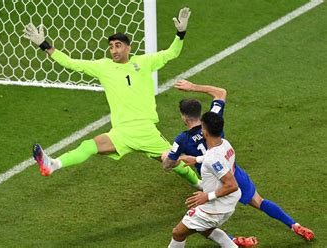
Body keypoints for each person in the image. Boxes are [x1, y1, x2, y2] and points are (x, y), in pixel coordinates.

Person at [23, 8, 200, 188]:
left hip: (145, 131)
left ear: (128, 47)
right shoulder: (104, 67)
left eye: (118, 45)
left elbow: (172, 53)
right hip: (121, 132)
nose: (113, 50)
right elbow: (71, 63)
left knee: (171, 161)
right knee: (88, 146)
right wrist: (44, 45)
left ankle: (199, 183)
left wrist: (180, 33)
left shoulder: (144, 62)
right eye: (111, 46)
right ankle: (53, 164)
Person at [162, 79, 315, 245]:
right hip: (233, 171)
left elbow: (168, 165)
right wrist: (193, 87)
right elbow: (221, 92)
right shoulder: (214, 121)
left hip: (215, 183)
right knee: (260, 202)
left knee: (196, 222)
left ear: (184, 117)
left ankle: (232, 241)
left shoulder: (182, 139)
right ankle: (295, 225)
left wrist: (167, 156)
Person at [168, 112, 241, 248]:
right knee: (205, 230)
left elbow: (232, 185)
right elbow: (213, 158)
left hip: (216, 207)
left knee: (178, 233)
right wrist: (196, 159)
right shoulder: (225, 144)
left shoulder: (214, 157)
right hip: (229, 202)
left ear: (205, 131)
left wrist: (207, 196)